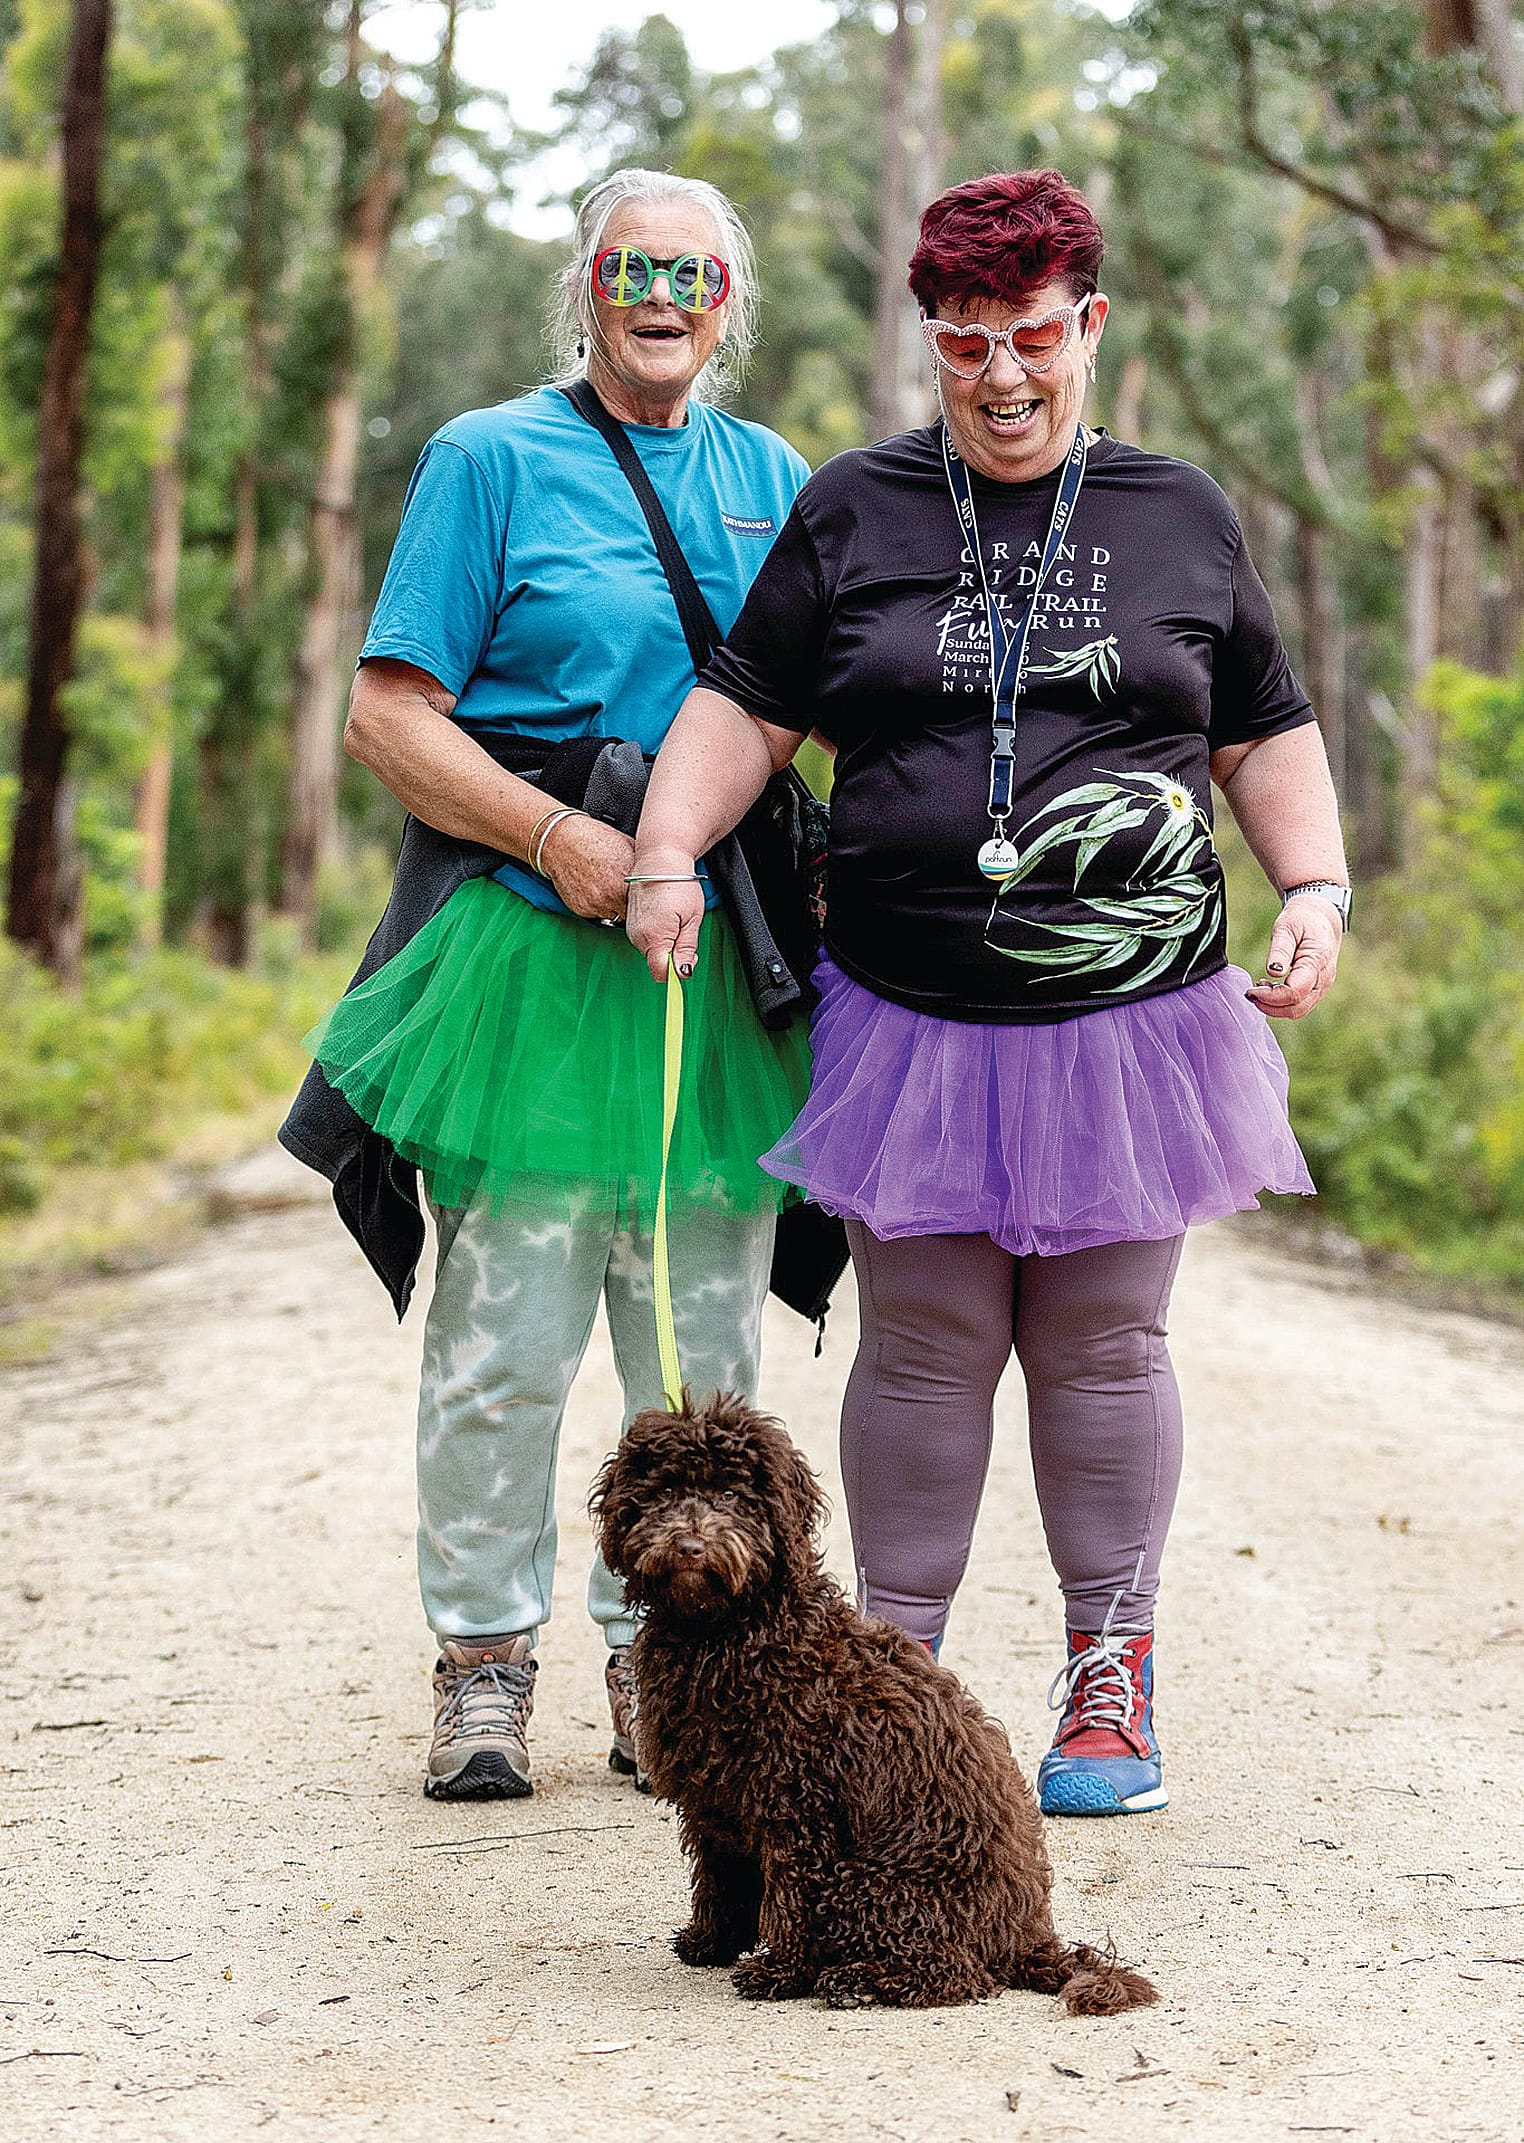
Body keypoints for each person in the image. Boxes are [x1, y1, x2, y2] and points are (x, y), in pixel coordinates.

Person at [627, 169, 1347, 1819]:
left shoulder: (1180, 509)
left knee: (1104, 1347)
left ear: (1087, 325)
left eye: (1030, 339)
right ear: (930, 343)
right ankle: (898, 1687)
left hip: (1134, 1016)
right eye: (964, 348)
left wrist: (1315, 886)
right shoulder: (858, 511)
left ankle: (1111, 1681)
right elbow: (748, 707)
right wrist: (669, 853)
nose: (1001, 378)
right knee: (927, 1346)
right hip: (910, 1006)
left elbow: (1260, 723)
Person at [301, 168, 810, 1800]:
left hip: (705, 962)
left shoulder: (776, 477)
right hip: (534, 940)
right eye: (628, 266)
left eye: (693, 274)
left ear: (730, 303)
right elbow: (389, 717)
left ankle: (658, 1665)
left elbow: (808, 705)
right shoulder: (487, 458)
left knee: (701, 1352)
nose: (661, 296)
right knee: (504, 1342)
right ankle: (482, 1664)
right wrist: (558, 836)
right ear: (586, 286)